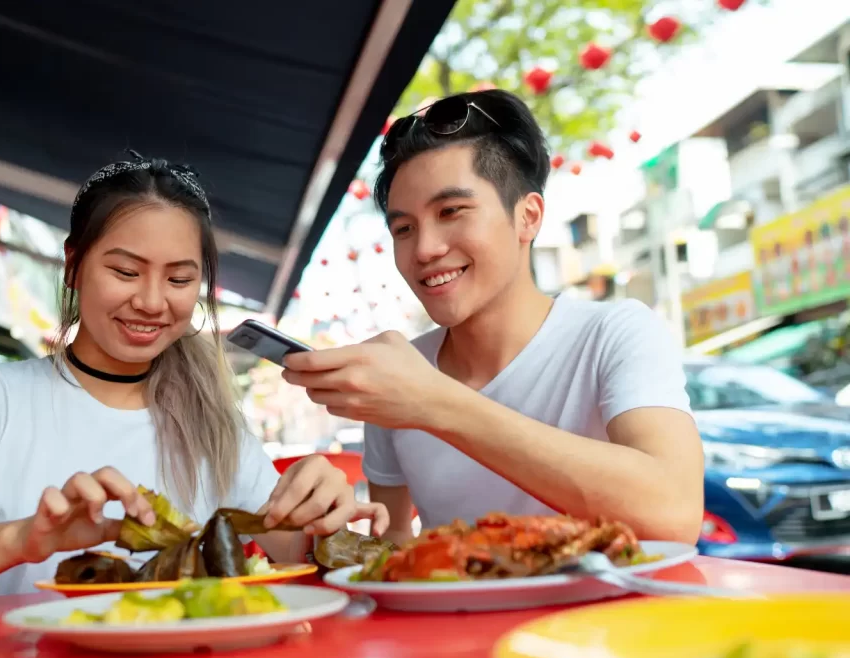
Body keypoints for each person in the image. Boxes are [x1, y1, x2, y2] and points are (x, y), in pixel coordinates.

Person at [0, 154, 386, 606]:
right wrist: (24, 539)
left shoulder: (212, 416)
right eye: (124, 271)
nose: (150, 301)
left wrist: (320, 515)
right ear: (73, 265)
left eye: (179, 278)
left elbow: (288, 549)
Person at [281, 90, 703, 547]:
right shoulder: (398, 370)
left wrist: (433, 402)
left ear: (527, 217)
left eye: (451, 212)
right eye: (404, 229)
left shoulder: (613, 333)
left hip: (608, 619)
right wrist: (322, 523)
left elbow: (675, 510)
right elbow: (394, 546)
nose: (424, 249)